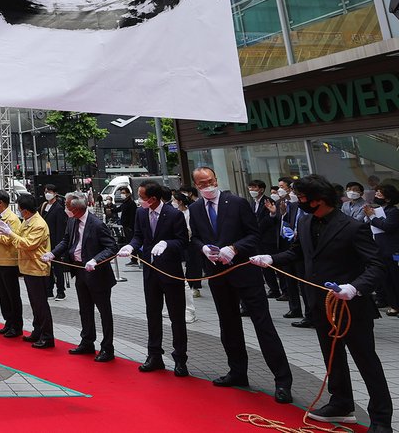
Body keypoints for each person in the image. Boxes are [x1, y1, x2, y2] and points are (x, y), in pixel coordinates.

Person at [251, 174, 392, 432]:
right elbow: (297, 251)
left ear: (319, 200)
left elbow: (376, 265)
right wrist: (271, 258)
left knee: (366, 361)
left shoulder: (352, 227)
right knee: (331, 357)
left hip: (351, 307)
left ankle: (381, 418)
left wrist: (355, 288)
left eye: (303, 198)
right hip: (319, 303)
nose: (299, 202)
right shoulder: (305, 222)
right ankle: (341, 402)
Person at [189, 167, 292, 404]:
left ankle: (282, 380)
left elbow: (253, 235)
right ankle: (237, 372)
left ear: (216, 179)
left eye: (210, 181)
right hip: (217, 275)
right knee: (229, 325)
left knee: (263, 325)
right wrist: (203, 248)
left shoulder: (236, 202)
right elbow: (195, 237)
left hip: (244, 273)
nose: (207, 186)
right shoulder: (195, 208)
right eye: (202, 184)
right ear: (196, 185)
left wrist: (234, 248)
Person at [118, 182, 189, 377]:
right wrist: (131, 247)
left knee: (176, 316)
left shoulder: (174, 215)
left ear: (153, 199)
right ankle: (154, 355)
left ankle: (180, 358)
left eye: (142, 197)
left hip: (170, 271)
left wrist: (167, 243)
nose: (139, 200)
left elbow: (183, 242)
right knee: (153, 314)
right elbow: (139, 236)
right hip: (150, 271)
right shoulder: (141, 213)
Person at [48, 193, 118, 359]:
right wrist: (52, 254)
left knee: (104, 312)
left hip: (97, 274)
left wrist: (95, 260)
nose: (66, 209)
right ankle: (87, 341)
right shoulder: (72, 220)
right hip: (79, 271)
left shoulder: (97, 224)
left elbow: (111, 247)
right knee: (85, 310)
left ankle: (107, 347)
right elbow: (66, 241)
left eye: (68, 206)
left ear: (77, 209)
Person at [0, 194, 51, 344]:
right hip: (27, 267)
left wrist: (10, 233)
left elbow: (28, 243)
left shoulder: (39, 224)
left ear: (25, 210)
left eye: (19, 208)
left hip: (37, 267)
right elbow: (17, 239)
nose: (19, 211)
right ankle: (37, 330)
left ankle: (47, 336)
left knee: (40, 304)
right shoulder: (27, 221)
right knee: (34, 303)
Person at [268, 176, 312, 326]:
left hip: (303, 248)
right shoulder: (288, 205)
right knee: (289, 278)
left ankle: (310, 314)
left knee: (303, 281)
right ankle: (295, 308)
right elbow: (285, 223)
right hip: (288, 246)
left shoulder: (308, 207)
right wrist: (281, 214)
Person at [0, 190, 22, 336]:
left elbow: (9, 240)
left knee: (12, 295)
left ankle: (16, 325)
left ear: (0, 202)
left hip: (9, 261)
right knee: (3, 295)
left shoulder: (12, 218)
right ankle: (8, 322)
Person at [365, 182, 399, 316]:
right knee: (387, 279)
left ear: (388, 198)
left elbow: (387, 226)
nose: (377, 194)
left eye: (380, 193)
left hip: (394, 252)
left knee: (396, 278)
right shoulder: (378, 209)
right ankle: (394, 305)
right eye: (377, 192)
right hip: (380, 250)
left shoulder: (393, 212)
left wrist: (372, 216)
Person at [247, 180, 281, 299]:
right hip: (258, 239)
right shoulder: (252, 202)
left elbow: (270, 219)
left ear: (261, 189)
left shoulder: (268, 201)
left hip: (268, 238)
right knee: (263, 265)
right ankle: (273, 288)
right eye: (250, 187)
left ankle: (281, 289)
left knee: (273, 264)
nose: (251, 190)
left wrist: (257, 229)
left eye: (254, 187)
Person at [40, 184, 67, 300]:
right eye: (46, 191)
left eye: (49, 191)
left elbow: (60, 228)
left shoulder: (59, 208)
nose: (47, 193)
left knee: (58, 268)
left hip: (55, 242)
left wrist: (59, 246)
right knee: (47, 267)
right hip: (45, 242)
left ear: (55, 193)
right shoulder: (44, 206)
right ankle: (49, 290)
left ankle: (61, 291)